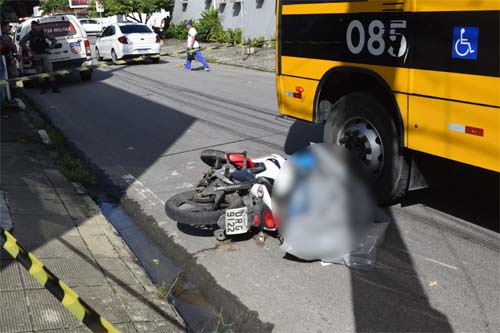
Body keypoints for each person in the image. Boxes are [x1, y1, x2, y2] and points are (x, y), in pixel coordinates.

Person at [20, 20, 60, 94]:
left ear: (38, 26)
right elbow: (21, 43)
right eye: (32, 26)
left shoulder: (43, 33)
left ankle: (54, 87)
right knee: (40, 72)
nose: (33, 27)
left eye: (35, 26)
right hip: (36, 55)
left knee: (49, 71)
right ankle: (43, 88)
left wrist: (50, 47)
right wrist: (29, 50)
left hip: (44, 54)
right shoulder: (30, 35)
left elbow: (54, 40)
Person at [1, 22, 20, 96]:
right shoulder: (3, 37)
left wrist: (16, 54)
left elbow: (13, 45)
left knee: (12, 74)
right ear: (4, 27)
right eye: (8, 26)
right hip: (7, 58)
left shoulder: (6, 36)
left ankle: (12, 90)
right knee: (14, 74)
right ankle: (12, 91)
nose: (9, 28)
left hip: (9, 57)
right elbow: (7, 48)